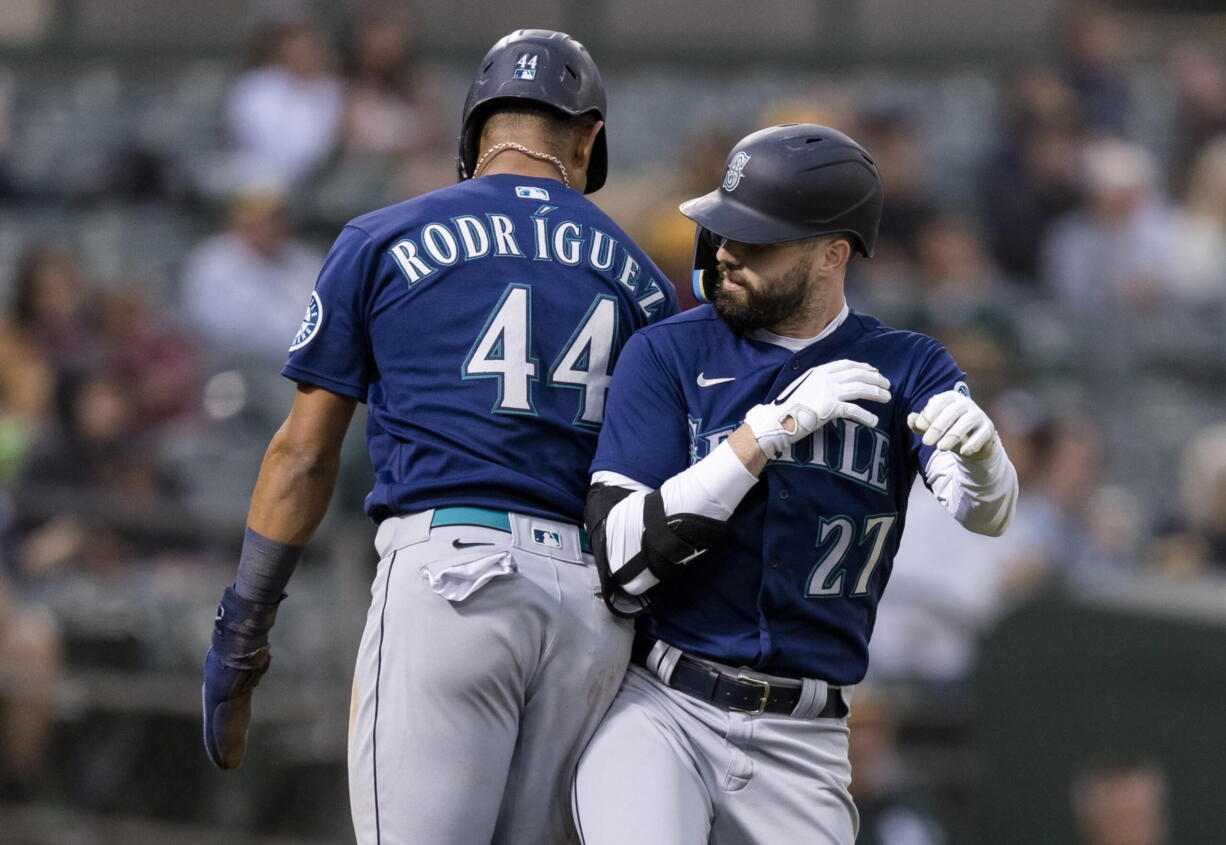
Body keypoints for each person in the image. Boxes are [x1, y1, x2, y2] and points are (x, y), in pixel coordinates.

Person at [200, 29, 678, 845]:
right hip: (590, 612)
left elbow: (304, 454)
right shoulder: (645, 281)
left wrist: (244, 624)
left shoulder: (382, 237)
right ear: (589, 138)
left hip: (453, 575)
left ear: (476, 129)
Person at [572, 124, 1018, 844]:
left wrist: (987, 462)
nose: (726, 253)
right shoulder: (668, 352)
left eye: (758, 240)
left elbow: (984, 514)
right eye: (724, 231)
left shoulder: (906, 365)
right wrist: (759, 438)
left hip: (805, 737)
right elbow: (619, 558)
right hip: (661, 702)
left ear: (832, 253)